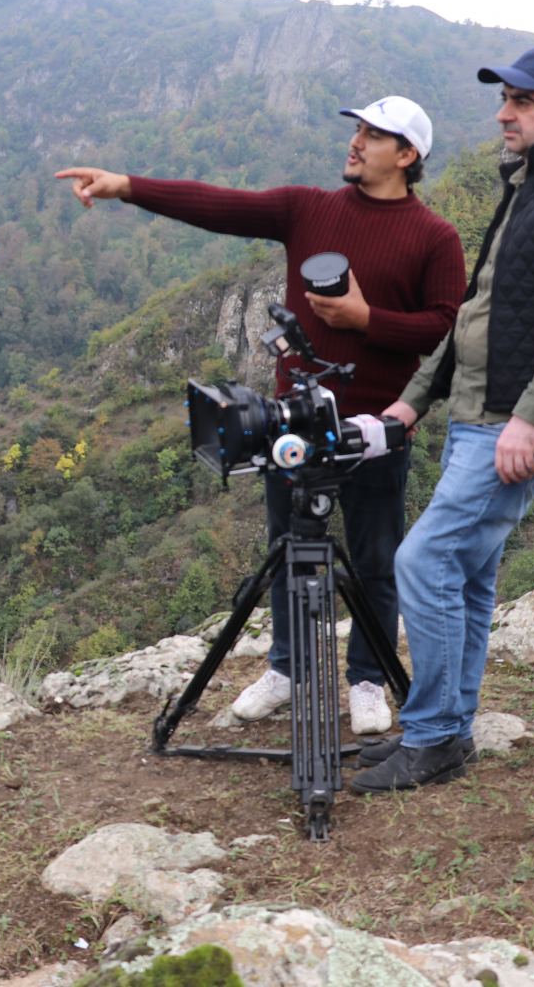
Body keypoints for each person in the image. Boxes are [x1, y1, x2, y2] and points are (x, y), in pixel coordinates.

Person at [56, 97, 466, 735]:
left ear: (407, 156)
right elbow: (219, 204)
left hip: (374, 428)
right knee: (289, 547)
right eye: (356, 130)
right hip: (295, 420)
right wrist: (127, 187)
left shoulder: (434, 237)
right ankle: (288, 668)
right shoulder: (310, 207)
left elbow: (446, 328)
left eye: (372, 135)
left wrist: (366, 321)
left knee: (376, 557)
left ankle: (365, 679)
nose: (356, 142)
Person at [351, 48, 534, 794]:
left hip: (514, 424)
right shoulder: (527, 185)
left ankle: (435, 733)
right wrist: (416, 397)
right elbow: (473, 314)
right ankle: (450, 728)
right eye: (504, 98)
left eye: (522, 101)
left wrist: (532, 419)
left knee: (422, 562)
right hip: (477, 415)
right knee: (469, 576)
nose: (504, 113)